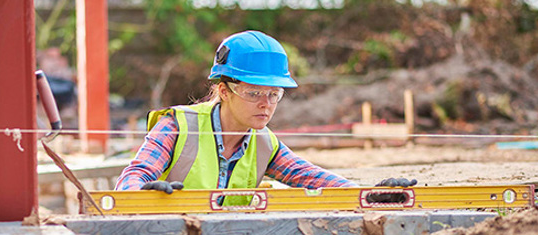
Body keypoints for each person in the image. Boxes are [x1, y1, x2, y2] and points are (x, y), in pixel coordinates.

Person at [115, 31, 415, 206]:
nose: (266, 104)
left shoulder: (264, 144)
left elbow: (311, 177)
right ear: (224, 90)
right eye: (254, 93)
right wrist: (141, 193)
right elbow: (132, 178)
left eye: (274, 94)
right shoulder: (177, 126)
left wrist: (372, 194)